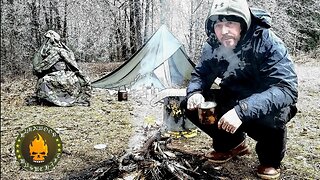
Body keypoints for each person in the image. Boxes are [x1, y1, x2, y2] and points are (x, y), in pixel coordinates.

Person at [182, 0, 298, 179]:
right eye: (219, 25)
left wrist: (241, 111)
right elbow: (201, 75)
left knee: (276, 114)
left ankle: (270, 159)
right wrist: (195, 92)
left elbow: (286, 89)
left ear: (243, 24)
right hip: (232, 97)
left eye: (230, 23)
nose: (224, 31)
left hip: (263, 101)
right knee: (190, 105)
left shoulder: (267, 41)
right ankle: (233, 145)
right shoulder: (213, 45)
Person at [32, 30, 91, 106]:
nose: (46, 42)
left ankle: (56, 100)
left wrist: (38, 70)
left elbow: (43, 66)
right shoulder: (62, 50)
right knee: (44, 80)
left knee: (45, 81)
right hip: (60, 74)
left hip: (61, 75)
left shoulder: (57, 51)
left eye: (48, 40)